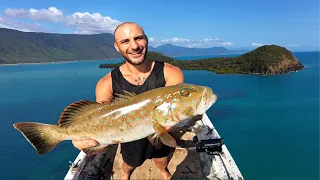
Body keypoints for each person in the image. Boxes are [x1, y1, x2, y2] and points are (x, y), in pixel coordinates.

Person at [72, 22, 184, 180]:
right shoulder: (106, 83)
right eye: (125, 41)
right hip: (129, 137)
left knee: (161, 158)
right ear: (117, 47)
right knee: (130, 163)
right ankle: (125, 174)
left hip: (162, 132)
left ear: (146, 40)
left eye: (138, 38)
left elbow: (176, 105)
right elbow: (100, 114)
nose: (134, 46)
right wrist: (79, 137)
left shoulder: (171, 72)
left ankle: (163, 170)